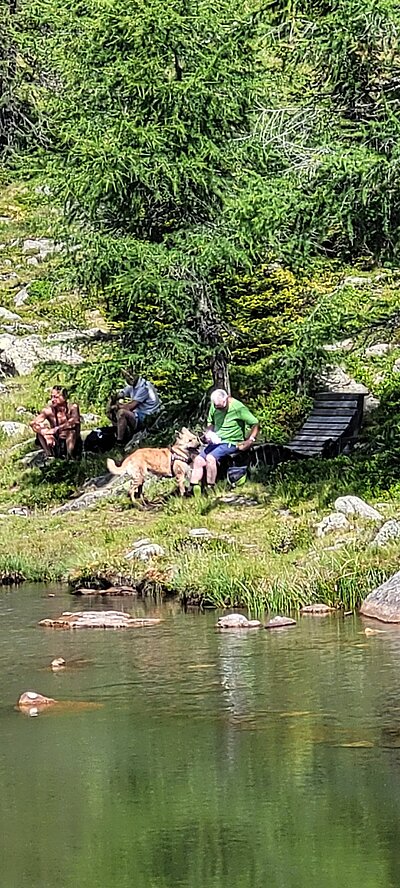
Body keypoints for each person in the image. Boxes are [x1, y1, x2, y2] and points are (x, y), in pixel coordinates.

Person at [190, 389, 259, 495]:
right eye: (216, 407)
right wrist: (209, 433)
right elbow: (210, 422)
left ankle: (211, 488)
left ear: (226, 399)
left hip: (231, 441)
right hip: (216, 441)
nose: (218, 409)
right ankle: (194, 490)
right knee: (198, 460)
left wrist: (250, 440)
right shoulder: (215, 404)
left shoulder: (238, 408)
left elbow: (255, 423)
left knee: (210, 458)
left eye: (221, 407)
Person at [107, 369, 161, 446]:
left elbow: (130, 407)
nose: (130, 377)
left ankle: (120, 442)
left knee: (122, 413)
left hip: (148, 416)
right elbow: (121, 394)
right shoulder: (132, 385)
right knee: (114, 412)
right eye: (127, 376)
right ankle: (118, 434)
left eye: (131, 374)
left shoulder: (144, 387)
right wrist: (111, 400)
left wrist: (116, 406)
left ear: (137, 374)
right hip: (139, 414)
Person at [30, 386, 82, 459]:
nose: (52, 400)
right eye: (51, 397)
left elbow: (75, 421)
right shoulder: (48, 411)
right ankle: (50, 456)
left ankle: (70, 457)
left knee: (71, 432)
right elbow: (33, 423)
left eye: (56, 397)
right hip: (56, 441)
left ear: (64, 397)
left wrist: (56, 429)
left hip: (71, 441)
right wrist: (45, 433)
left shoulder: (73, 407)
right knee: (40, 432)